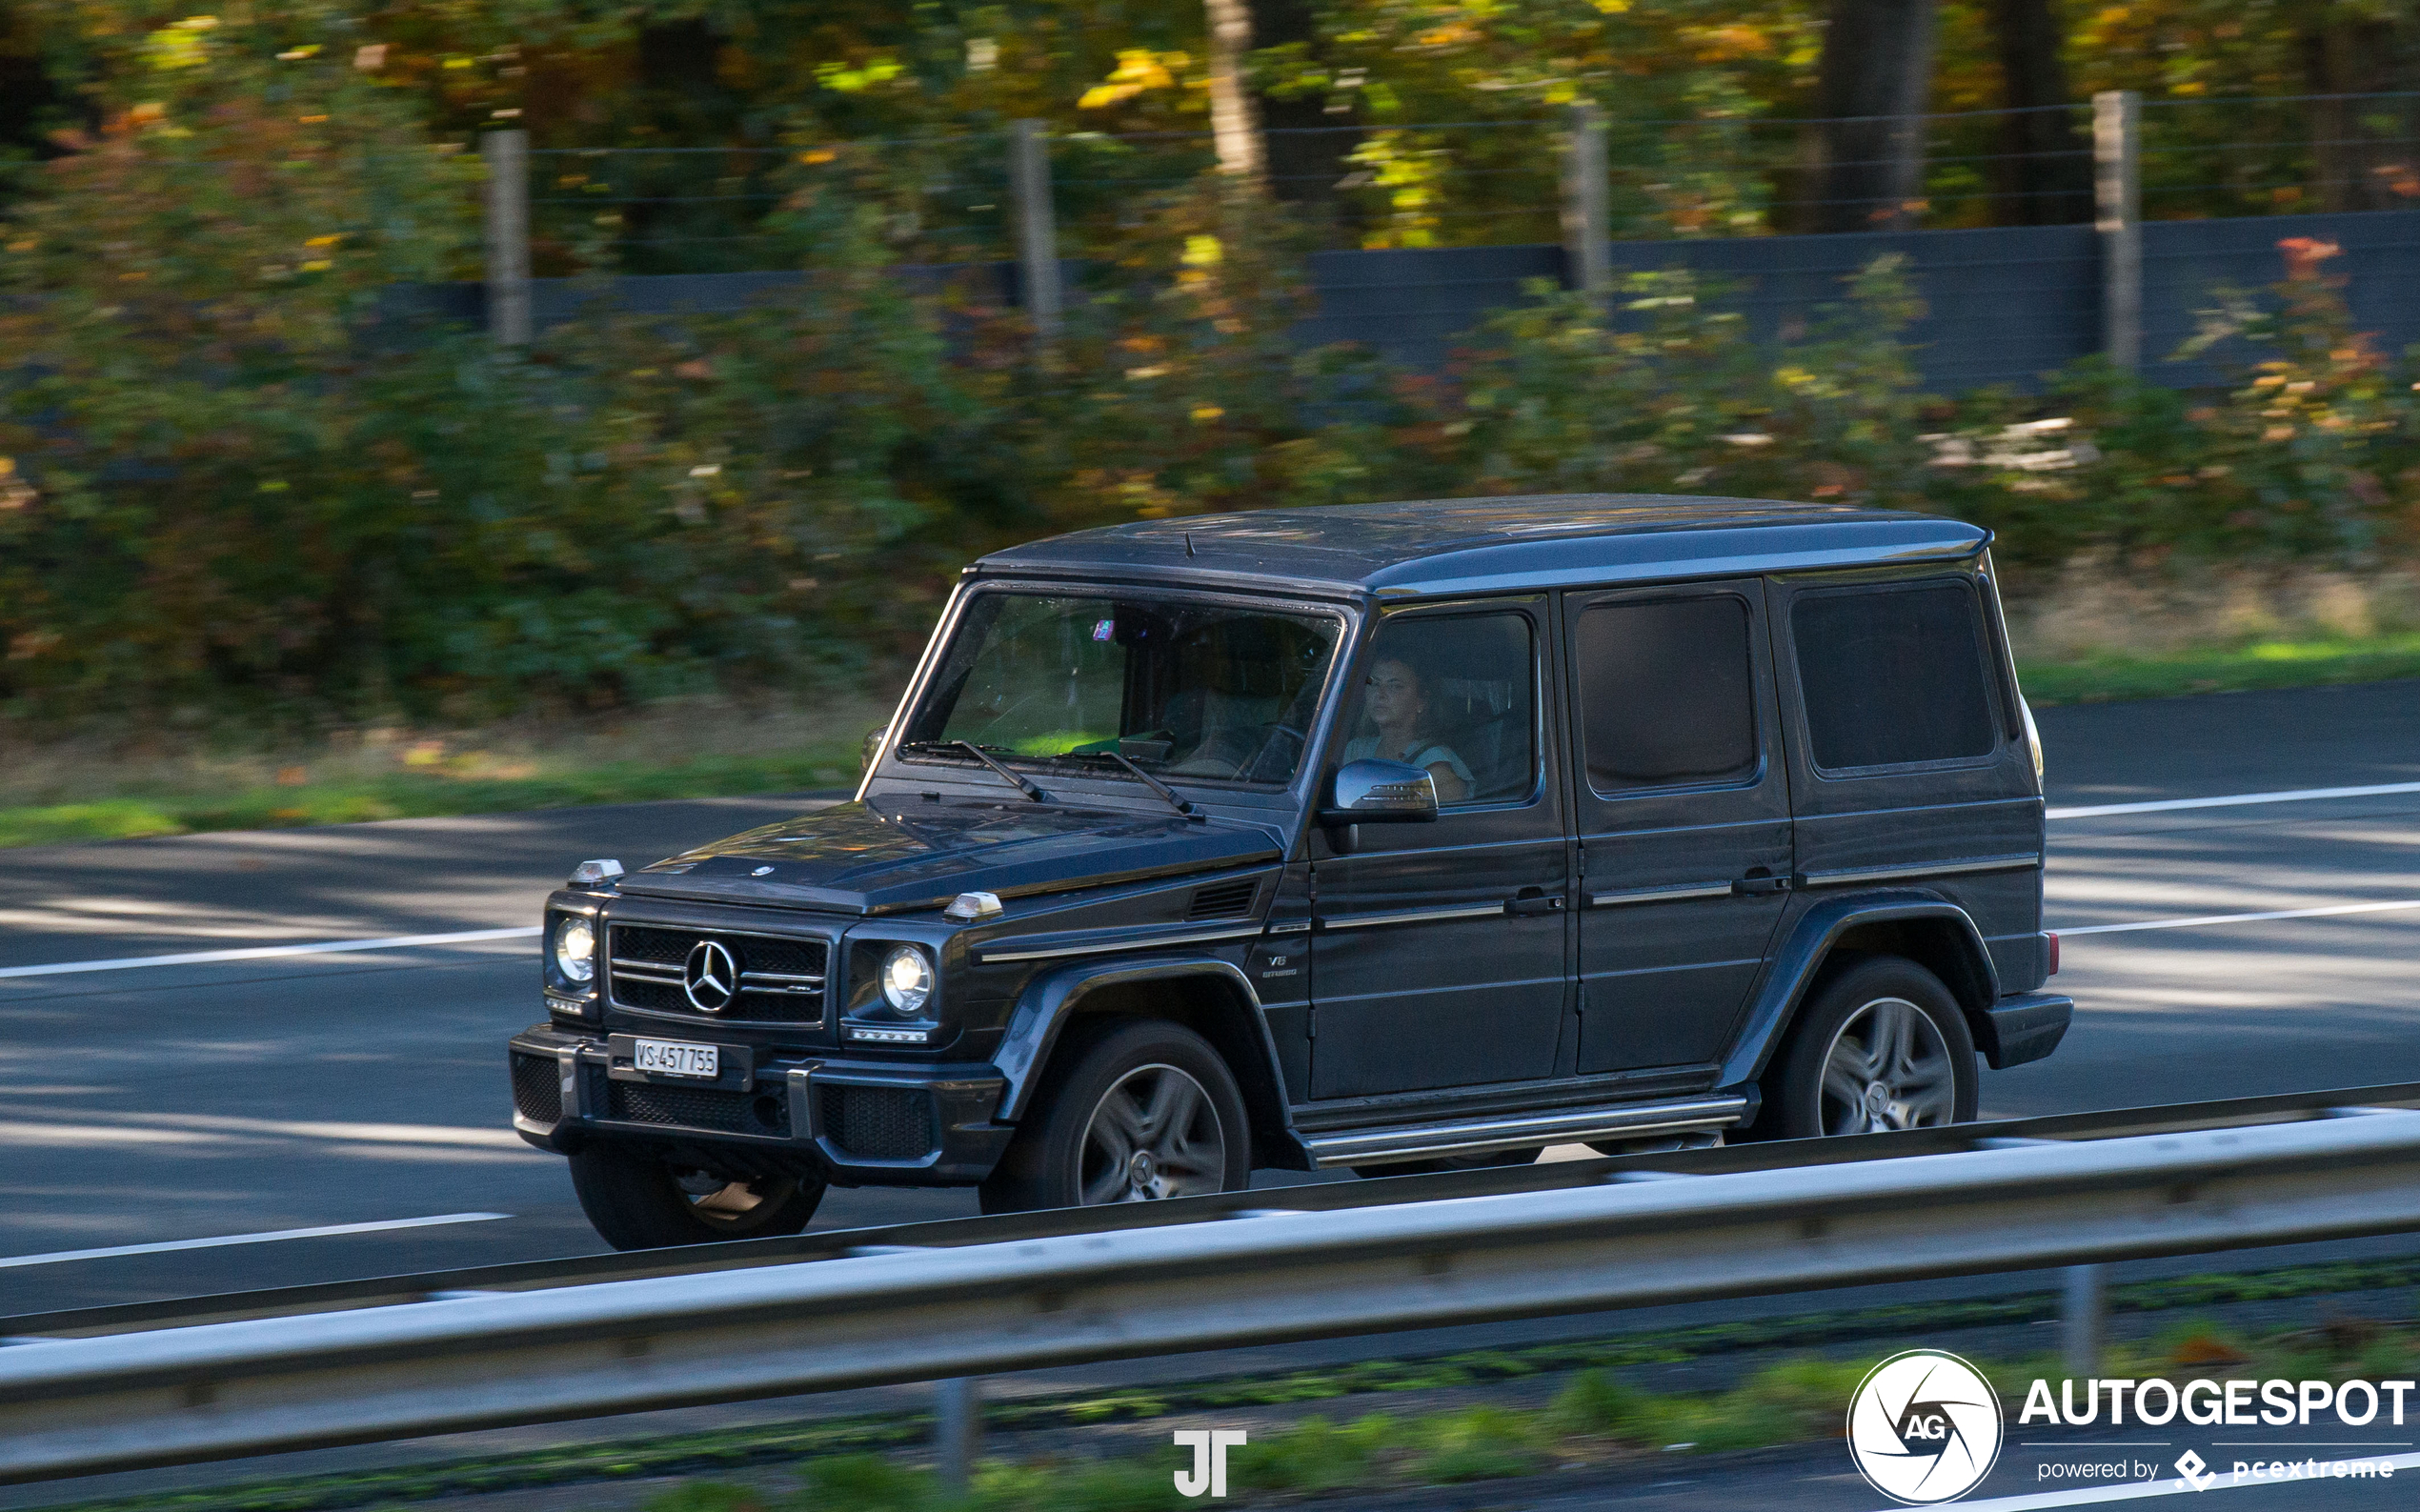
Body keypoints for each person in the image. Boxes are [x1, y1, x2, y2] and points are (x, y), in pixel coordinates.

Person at [1341, 655, 1472, 802]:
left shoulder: (1435, 771)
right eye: (1374, 683)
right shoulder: (1355, 750)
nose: (1380, 694)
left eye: (1395, 686)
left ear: (1421, 701)